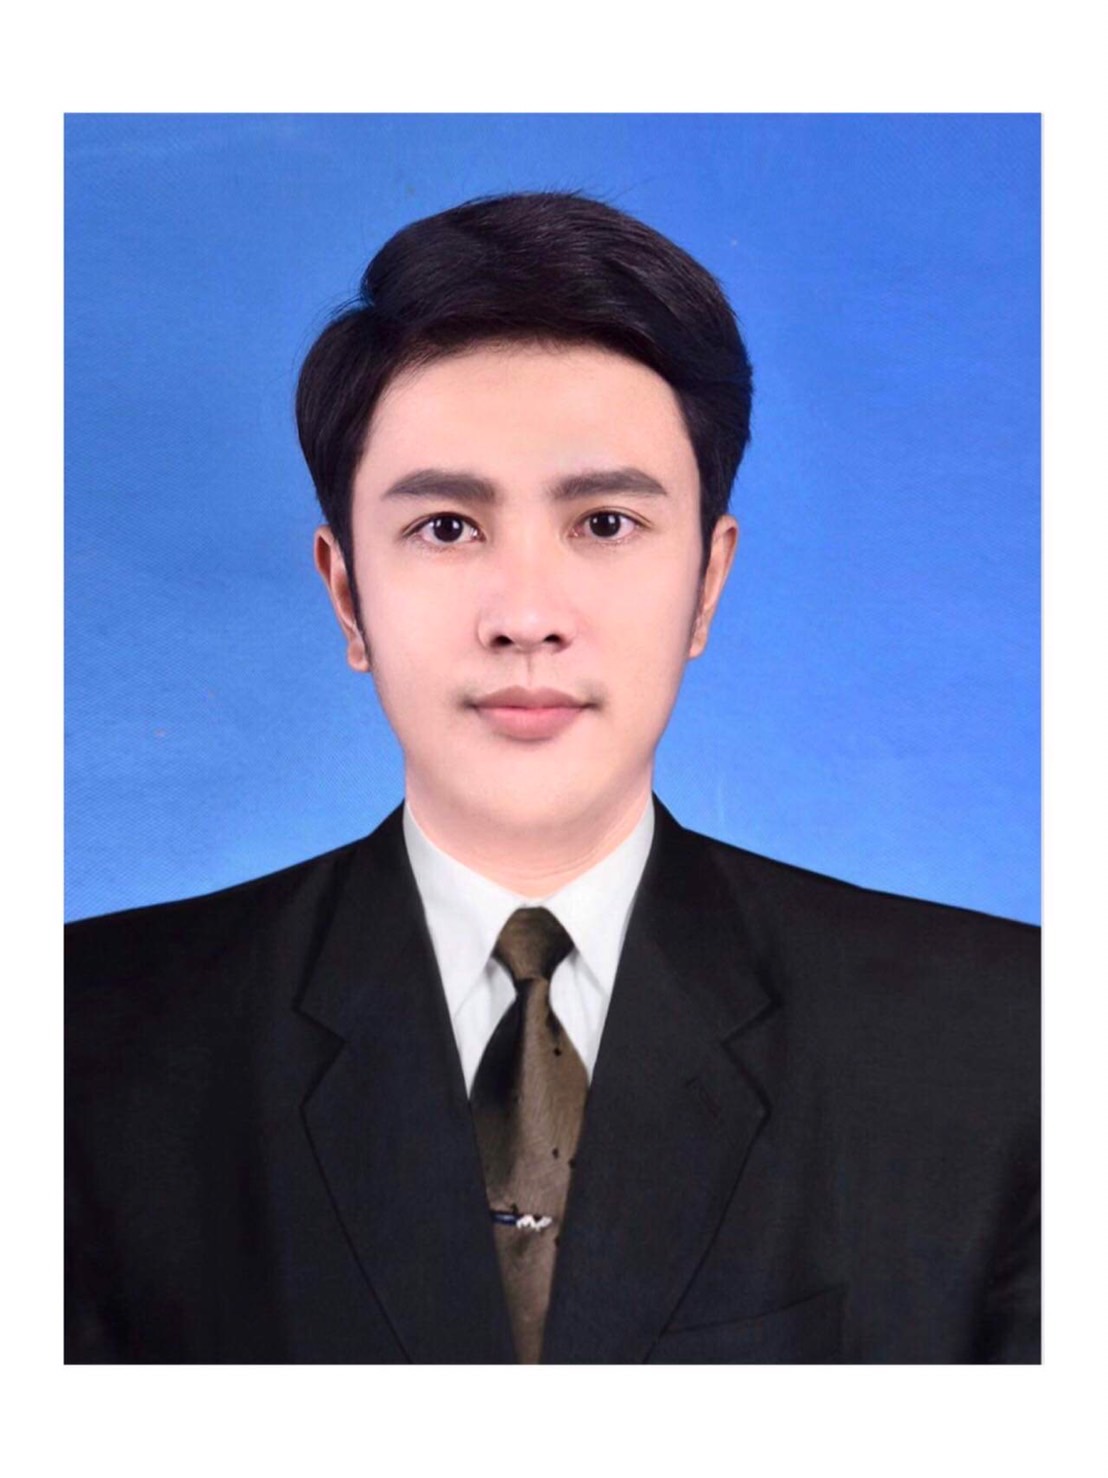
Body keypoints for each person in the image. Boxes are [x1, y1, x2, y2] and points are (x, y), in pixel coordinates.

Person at [65, 191, 1039, 1364]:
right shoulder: (80, 1041)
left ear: (707, 582)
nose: (526, 615)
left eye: (606, 522)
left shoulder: (1009, 1042)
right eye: (446, 527)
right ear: (346, 592)